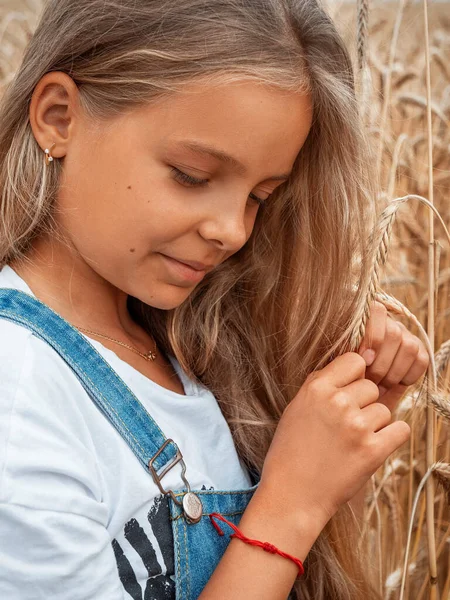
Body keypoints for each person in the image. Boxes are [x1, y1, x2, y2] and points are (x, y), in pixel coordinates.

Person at [0, 1, 429, 599]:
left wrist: (339, 444)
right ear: (58, 117)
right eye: (192, 175)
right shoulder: (18, 394)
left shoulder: (186, 346)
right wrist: (290, 506)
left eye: (260, 195)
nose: (232, 230)